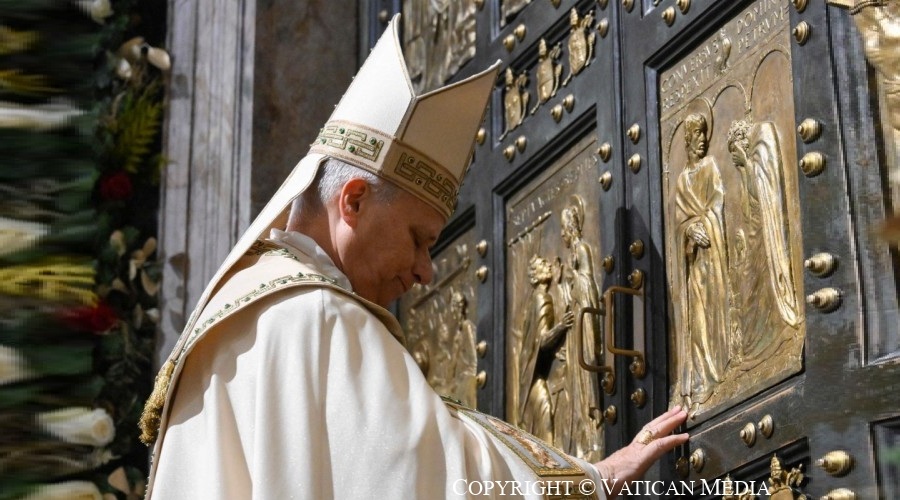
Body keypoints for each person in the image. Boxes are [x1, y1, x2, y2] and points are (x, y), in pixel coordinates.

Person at [139, 15, 688, 499]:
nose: (426, 269)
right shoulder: (317, 317)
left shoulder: (232, 320)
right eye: (419, 237)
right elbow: (430, 471)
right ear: (352, 200)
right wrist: (591, 481)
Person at [672, 112, 730, 416]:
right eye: (696, 134)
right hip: (694, 262)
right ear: (687, 139)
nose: (703, 139)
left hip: (714, 255)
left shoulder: (710, 168)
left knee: (713, 309)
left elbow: (718, 203)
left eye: (705, 133)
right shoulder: (682, 180)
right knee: (698, 320)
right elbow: (679, 223)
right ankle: (701, 378)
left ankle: (720, 368)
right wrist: (687, 231)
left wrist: (705, 224)